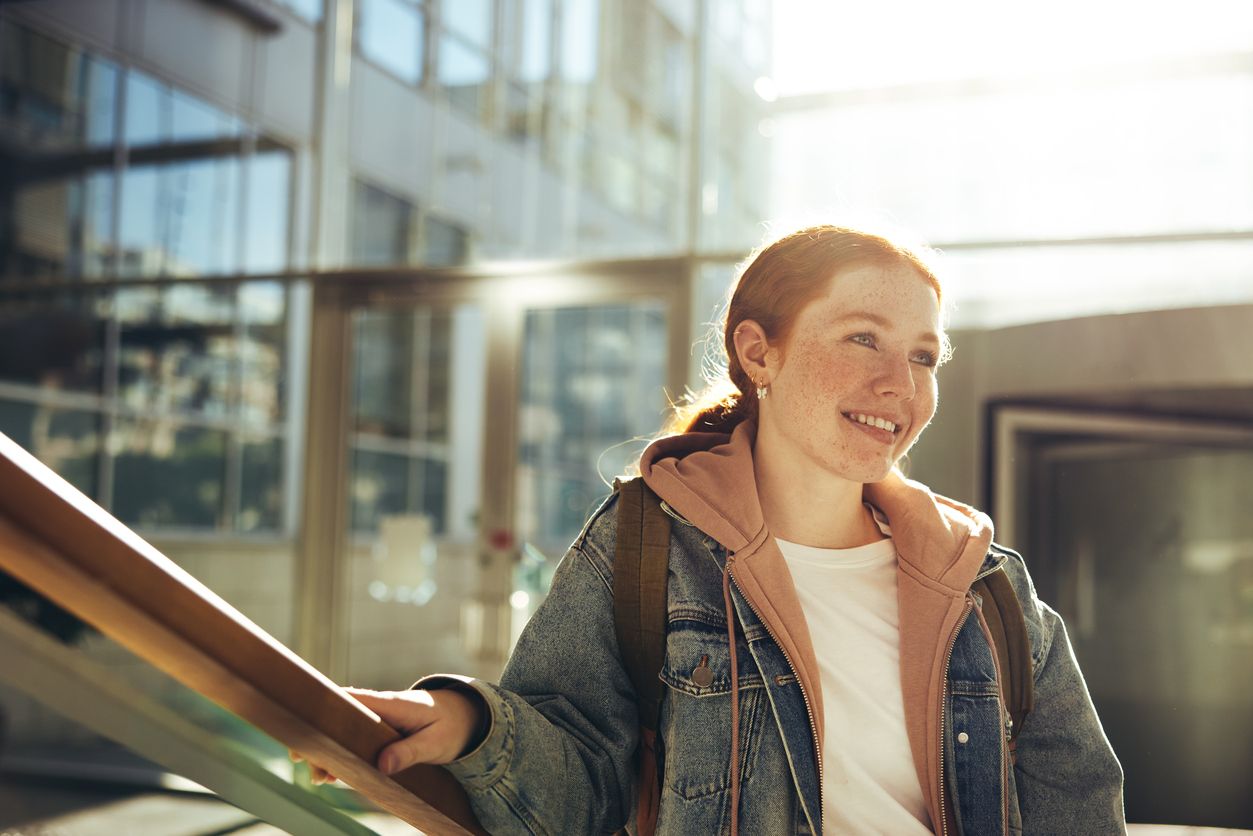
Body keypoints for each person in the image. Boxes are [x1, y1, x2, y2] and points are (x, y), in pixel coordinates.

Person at [300, 225, 1126, 834]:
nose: (896, 383)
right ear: (757, 353)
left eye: (922, 356)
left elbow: (1078, 806)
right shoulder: (646, 547)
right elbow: (580, 780)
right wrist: (476, 727)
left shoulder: (982, 582)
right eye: (862, 338)